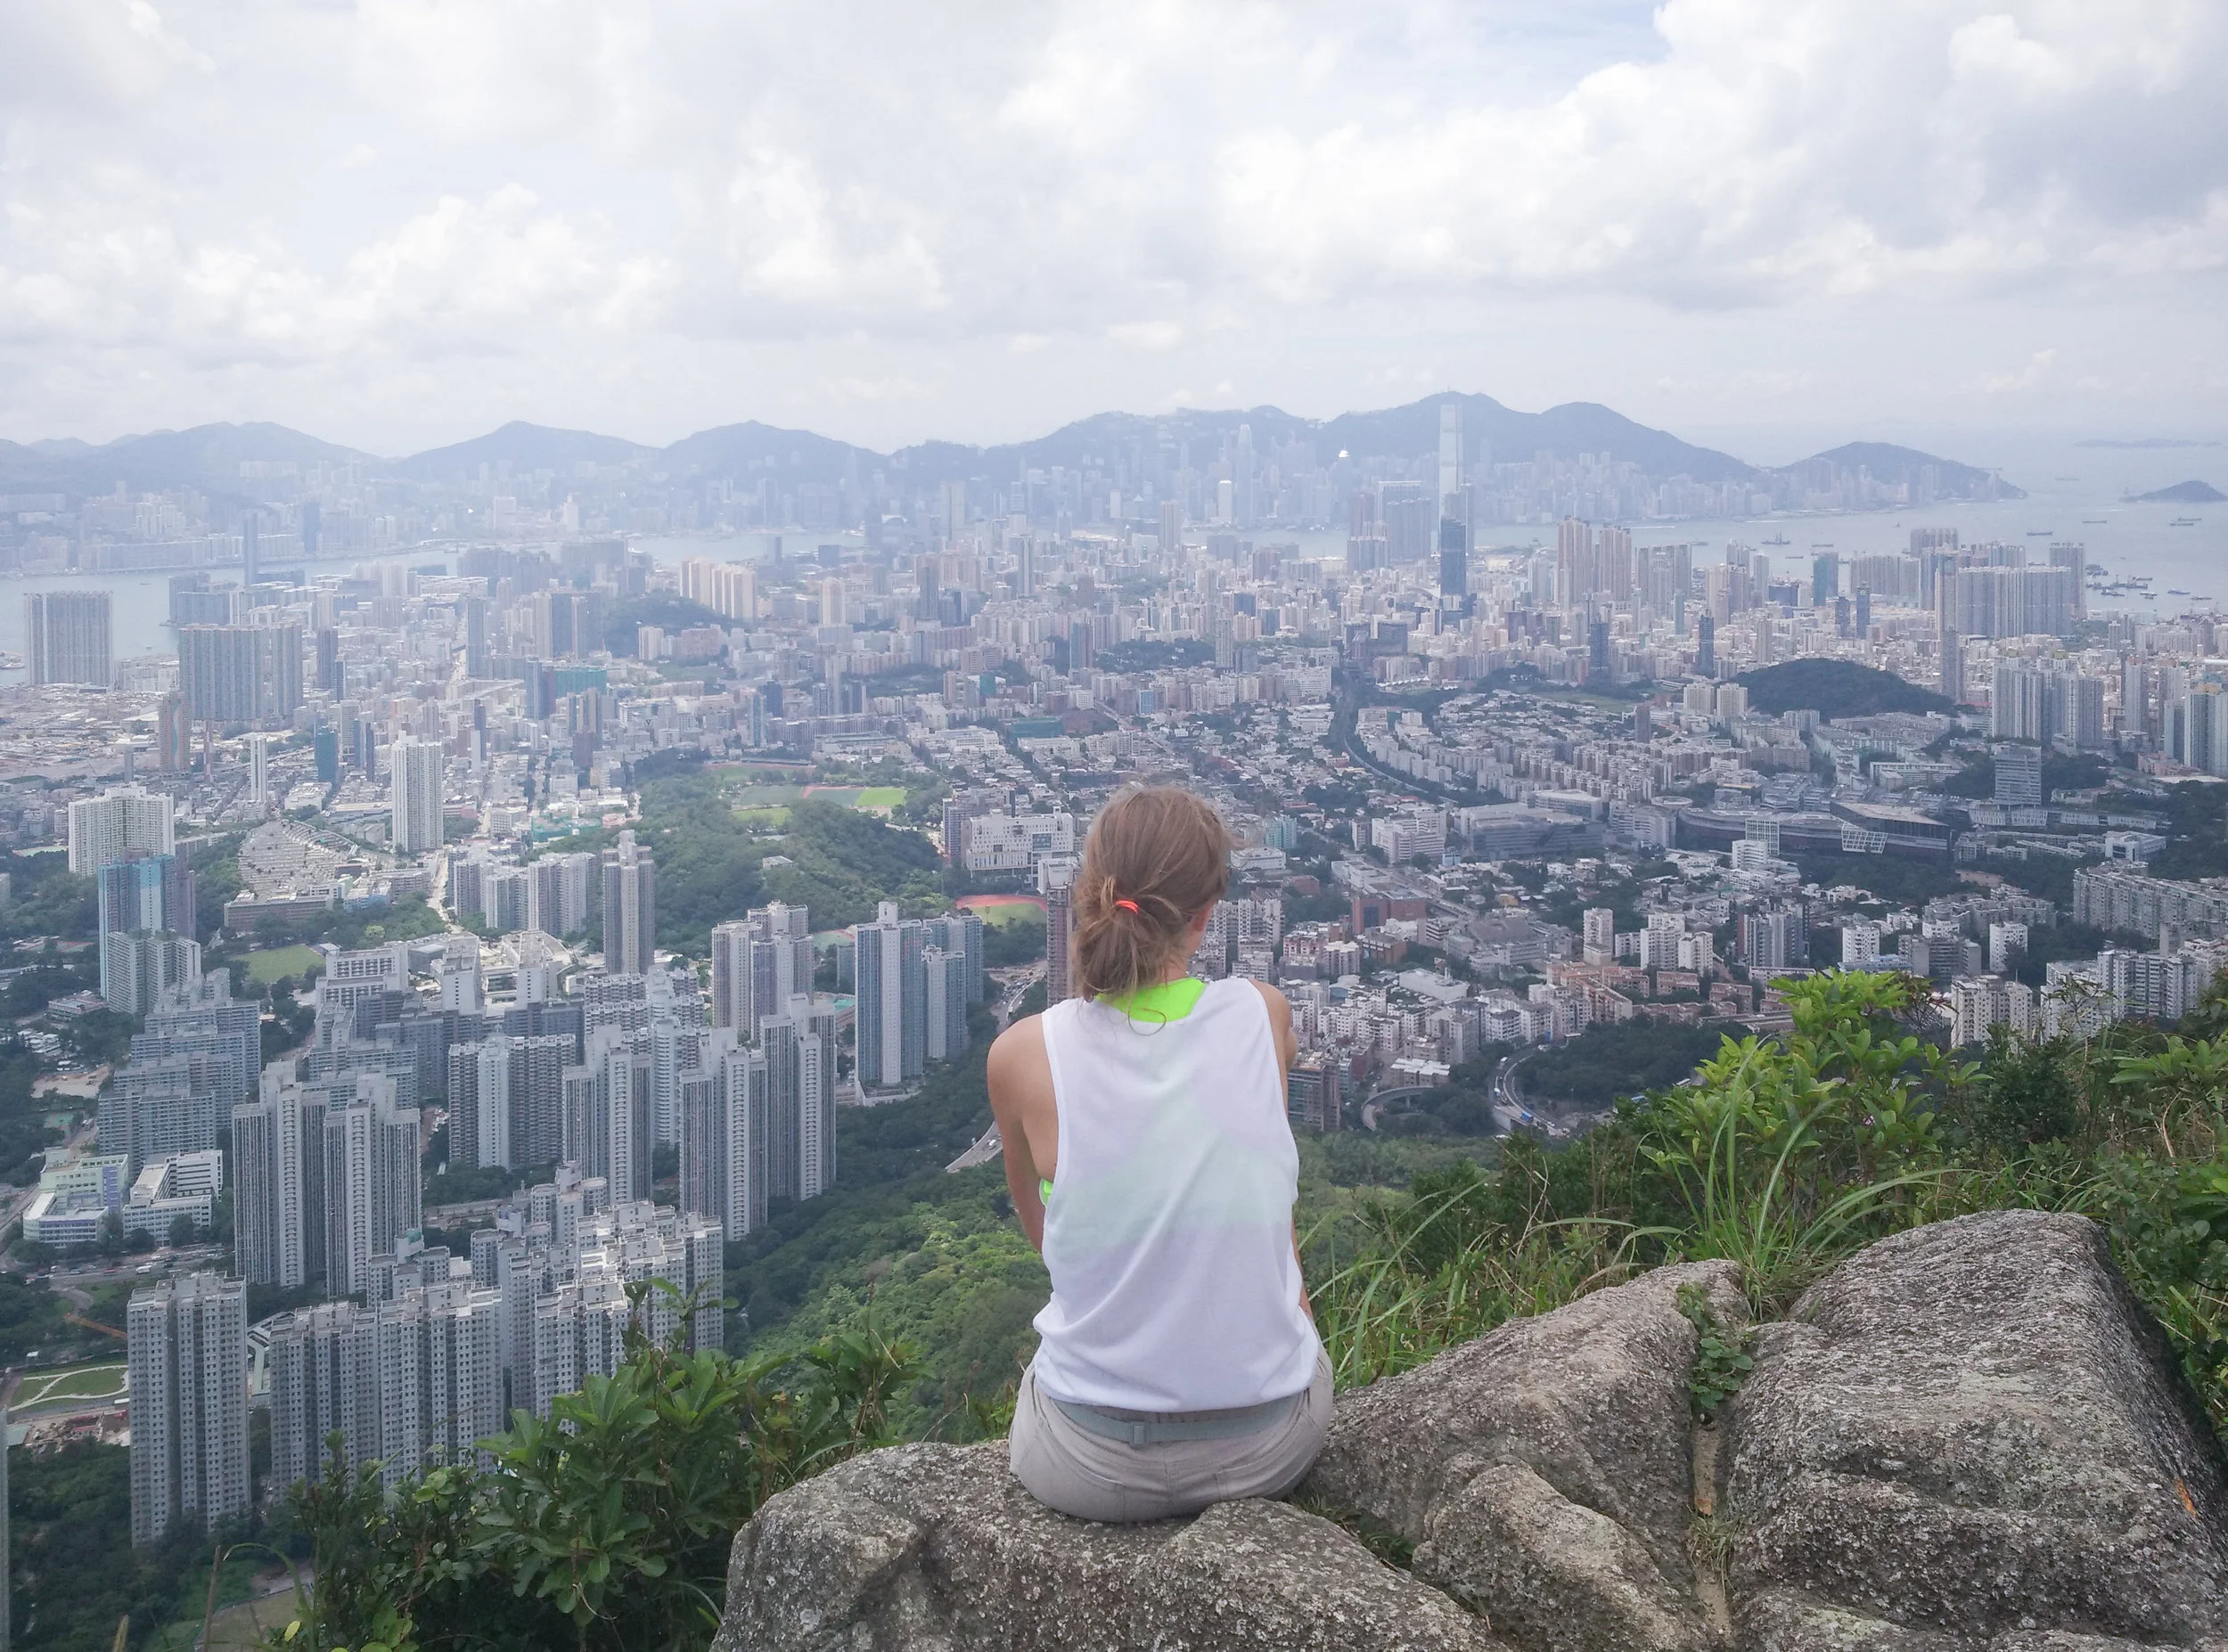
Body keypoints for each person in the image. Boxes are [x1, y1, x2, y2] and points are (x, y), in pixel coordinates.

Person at [987, 785, 1329, 1522]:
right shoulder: (1262, 1013)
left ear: (1089, 895)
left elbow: (1046, 1239)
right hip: (1269, 1447)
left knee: (1041, 1372)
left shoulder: (1023, 1055)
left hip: (1088, 1466)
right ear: (1206, 917)